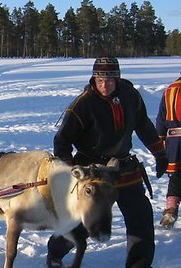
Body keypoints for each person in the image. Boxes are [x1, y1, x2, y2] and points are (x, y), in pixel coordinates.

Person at [48, 57, 168, 268]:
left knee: (140, 216)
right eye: (100, 80)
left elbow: (144, 127)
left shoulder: (131, 96)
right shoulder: (83, 104)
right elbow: (62, 141)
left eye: (109, 80)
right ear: (94, 78)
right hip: (92, 172)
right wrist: (69, 171)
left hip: (123, 168)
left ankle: (138, 263)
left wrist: (160, 154)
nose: (104, 85)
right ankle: (56, 252)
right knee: (83, 222)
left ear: (118, 78)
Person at [156, 76, 181, 229]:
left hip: (175, 142)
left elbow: (161, 120)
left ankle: (171, 209)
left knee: (177, 175)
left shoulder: (170, 90)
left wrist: (160, 140)